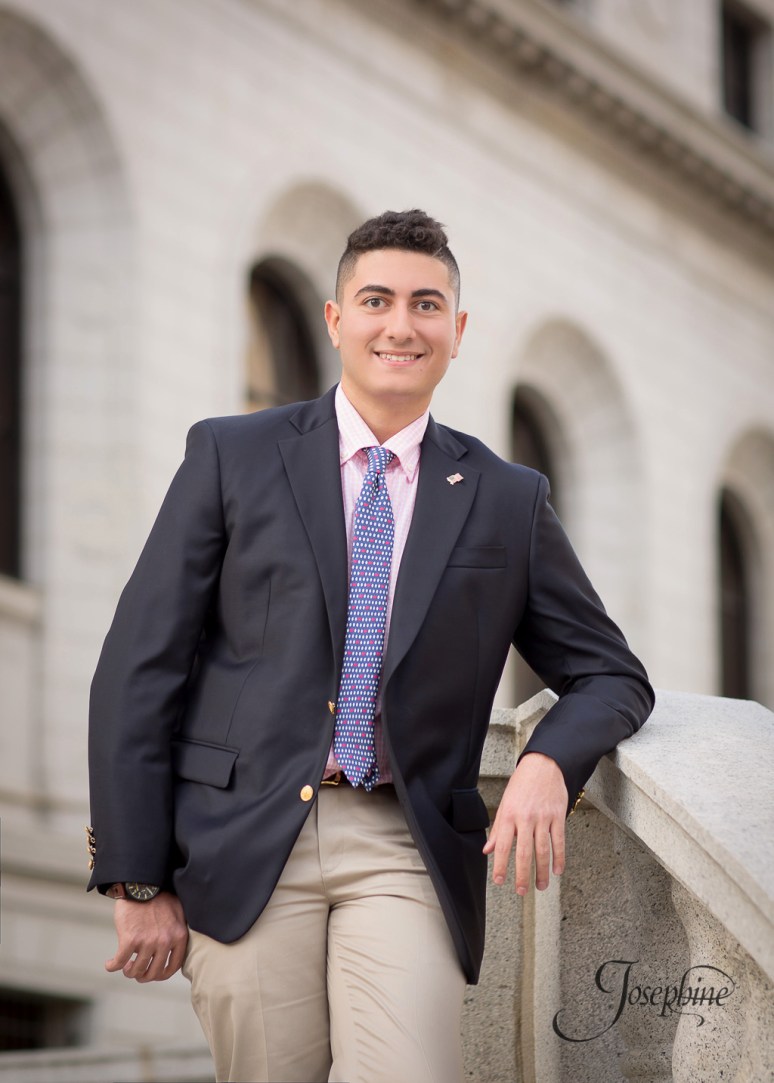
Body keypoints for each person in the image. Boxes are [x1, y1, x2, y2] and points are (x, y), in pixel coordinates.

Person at [87, 209, 653, 1083]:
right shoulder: (231, 455)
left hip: (405, 842)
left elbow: (610, 673)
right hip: (240, 839)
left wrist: (548, 763)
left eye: (427, 305)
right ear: (335, 319)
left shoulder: (506, 497)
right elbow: (140, 667)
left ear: (457, 332)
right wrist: (134, 878)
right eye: (377, 299)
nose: (401, 325)